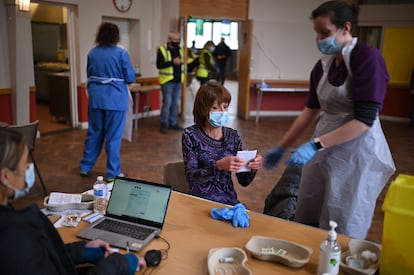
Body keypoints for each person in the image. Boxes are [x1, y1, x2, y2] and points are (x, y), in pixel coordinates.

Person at [262, 0, 395, 239]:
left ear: (345, 28)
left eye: (325, 32)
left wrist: (316, 144)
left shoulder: (366, 58)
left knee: (341, 218)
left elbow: (364, 121)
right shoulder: (322, 67)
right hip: (323, 147)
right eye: (317, 32)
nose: (319, 39)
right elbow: (309, 111)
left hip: (356, 152)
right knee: (309, 206)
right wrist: (282, 146)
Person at [0, 128, 146, 274]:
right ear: (5, 176)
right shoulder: (12, 237)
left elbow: (44, 258)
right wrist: (120, 264)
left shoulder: (10, 220)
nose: (28, 167)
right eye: (25, 162)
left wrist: (82, 251)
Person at [182, 80, 263, 205]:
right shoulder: (191, 135)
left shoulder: (233, 137)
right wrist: (218, 166)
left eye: (225, 106)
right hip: (200, 201)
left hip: (228, 200)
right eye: (215, 107)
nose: (222, 111)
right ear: (203, 109)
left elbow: (244, 181)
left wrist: (252, 167)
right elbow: (191, 177)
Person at [79, 22, 135, 182]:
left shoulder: (92, 53)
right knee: (113, 137)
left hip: (96, 99)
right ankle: (113, 172)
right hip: (115, 100)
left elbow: (89, 73)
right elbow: (130, 77)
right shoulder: (121, 53)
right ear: (116, 36)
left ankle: (85, 166)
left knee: (94, 133)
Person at [156, 32, 184, 134]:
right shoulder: (162, 49)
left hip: (178, 80)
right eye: (175, 40)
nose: (177, 42)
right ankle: (164, 123)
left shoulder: (180, 49)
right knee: (167, 103)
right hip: (167, 81)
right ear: (169, 39)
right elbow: (159, 65)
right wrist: (173, 62)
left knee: (175, 103)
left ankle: (173, 123)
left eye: (178, 40)